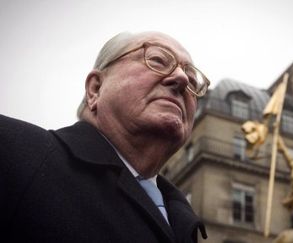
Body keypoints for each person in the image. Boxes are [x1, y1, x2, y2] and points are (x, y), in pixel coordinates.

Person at [0, 31, 209, 242]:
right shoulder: (11, 150)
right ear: (95, 88)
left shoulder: (183, 219)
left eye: (192, 80)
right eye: (157, 60)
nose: (182, 79)